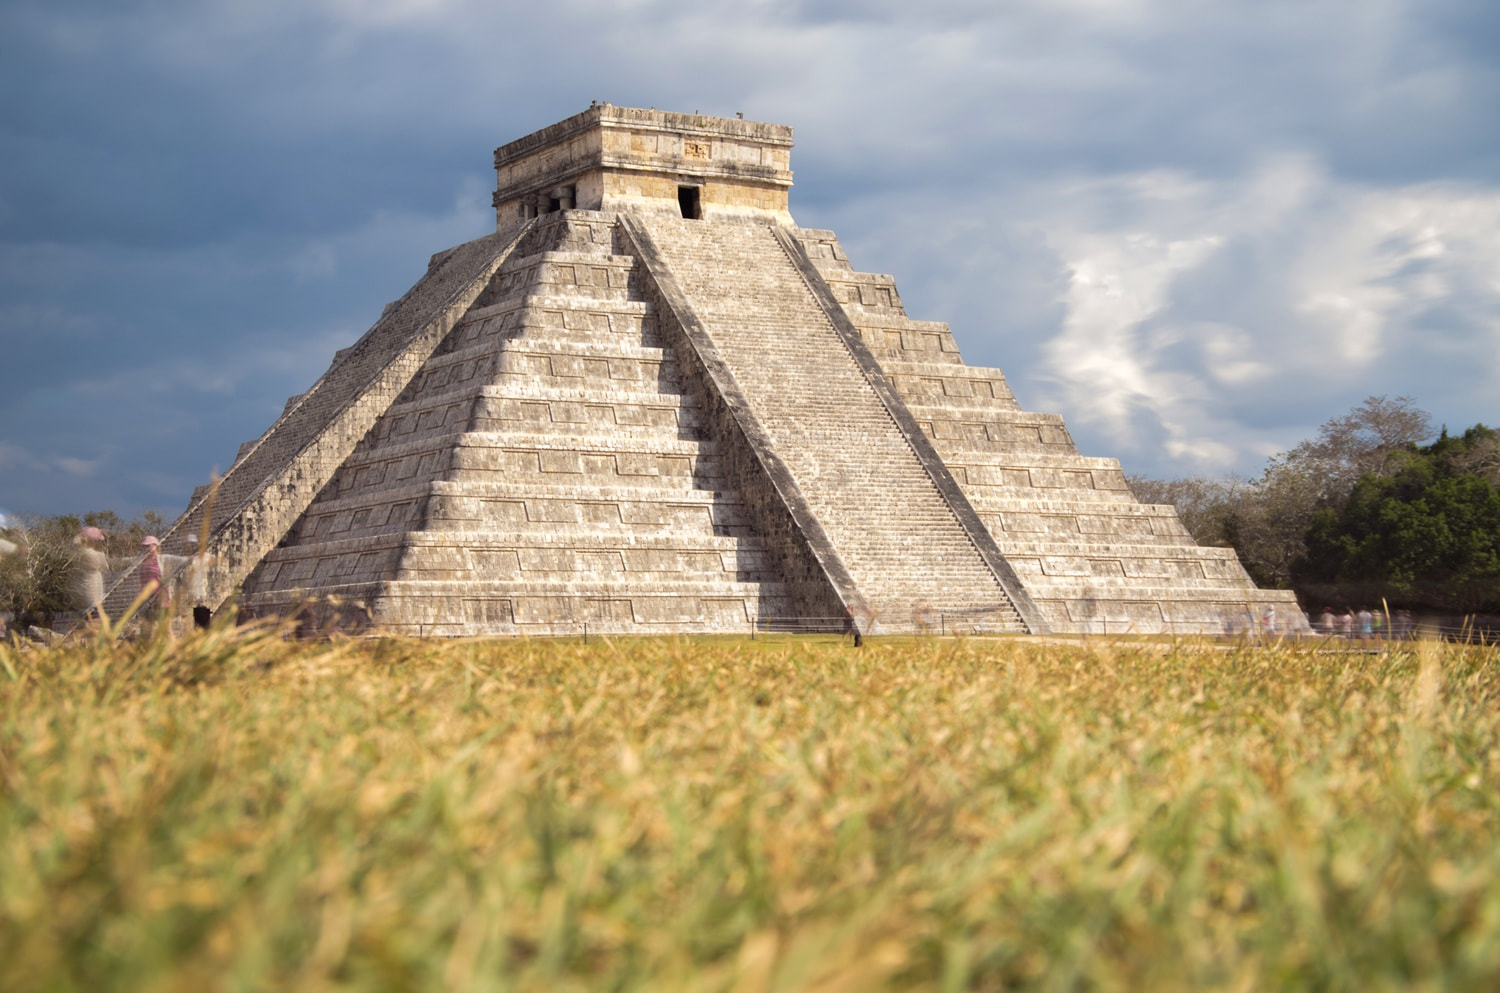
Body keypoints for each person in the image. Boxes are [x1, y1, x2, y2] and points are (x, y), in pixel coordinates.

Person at [137, 536, 192, 627]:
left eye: (148, 546)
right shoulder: (143, 562)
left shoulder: (162, 559)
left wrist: (191, 558)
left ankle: (171, 641)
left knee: (165, 627)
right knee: (147, 628)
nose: (146, 548)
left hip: (160, 596)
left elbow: (178, 560)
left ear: (155, 546)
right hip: (147, 599)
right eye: (144, 546)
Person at [73, 526, 113, 622]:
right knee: (97, 617)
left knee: (85, 617)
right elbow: (106, 567)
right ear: (94, 541)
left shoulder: (77, 553)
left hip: (80, 590)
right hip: (94, 590)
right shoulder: (97, 555)